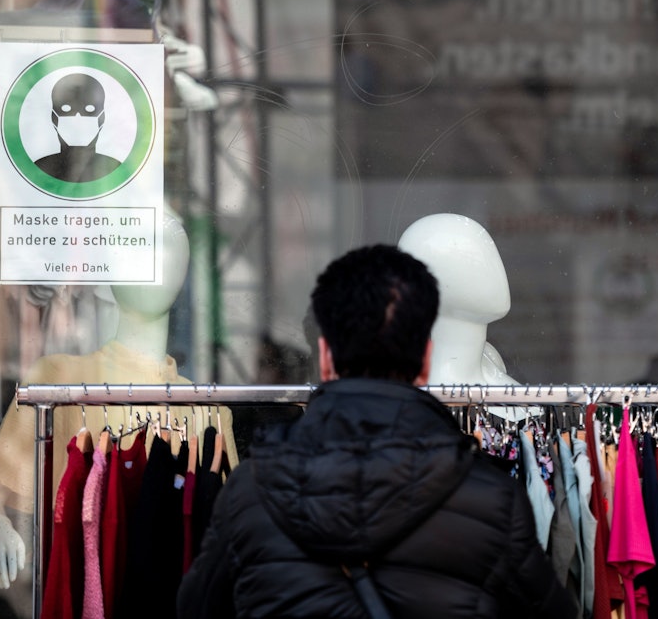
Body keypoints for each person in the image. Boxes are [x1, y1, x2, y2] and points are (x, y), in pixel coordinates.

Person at [177, 244, 576, 618]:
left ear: (327, 359)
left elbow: (195, 607)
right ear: (425, 360)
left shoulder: (252, 491)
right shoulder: (490, 501)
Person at [0, 211, 237, 592]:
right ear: (111, 275)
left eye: (167, 252)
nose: (155, 264)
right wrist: (1, 530)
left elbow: (231, 529)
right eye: (140, 251)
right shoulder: (57, 380)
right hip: (77, 590)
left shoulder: (205, 410)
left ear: (183, 275)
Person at [398, 213, 519, 386]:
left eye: (491, 256)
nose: (499, 275)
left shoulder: (490, 361)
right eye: (472, 261)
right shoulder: (437, 384)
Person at [34, 73, 121, 183]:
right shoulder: (39, 170)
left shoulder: (114, 169)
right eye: (66, 109)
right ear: (53, 117)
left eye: (89, 109)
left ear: (102, 118)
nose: (78, 117)